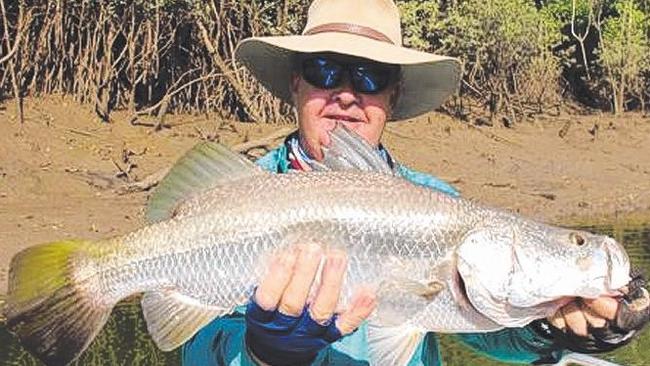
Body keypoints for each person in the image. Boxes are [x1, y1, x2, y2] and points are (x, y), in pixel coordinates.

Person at [182, 0, 648, 365]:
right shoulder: (234, 193)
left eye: (370, 75)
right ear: (295, 84)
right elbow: (193, 353)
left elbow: (489, 332)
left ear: (393, 94)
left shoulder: (438, 202)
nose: (346, 93)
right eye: (324, 69)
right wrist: (266, 356)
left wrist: (549, 326)